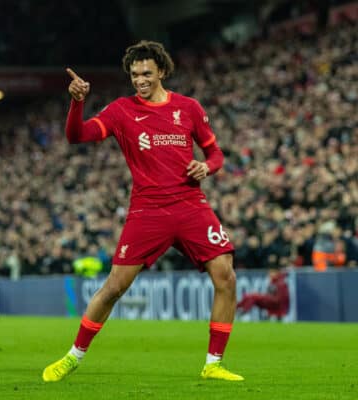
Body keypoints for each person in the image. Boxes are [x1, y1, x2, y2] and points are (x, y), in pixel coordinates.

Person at [42, 40, 243, 382]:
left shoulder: (189, 108)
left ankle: (214, 364)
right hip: (147, 211)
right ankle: (73, 356)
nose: (140, 80)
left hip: (191, 205)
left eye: (146, 73)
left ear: (162, 71)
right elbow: (77, 136)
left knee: (225, 275)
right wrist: (77, 103)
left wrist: (206, 168)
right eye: (135, 74)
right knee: (115, 287)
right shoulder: (121, 111)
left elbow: (216, 154)